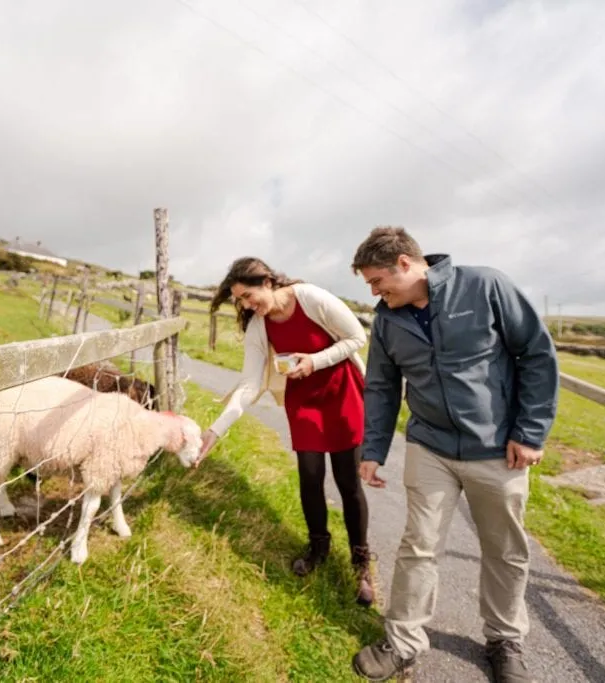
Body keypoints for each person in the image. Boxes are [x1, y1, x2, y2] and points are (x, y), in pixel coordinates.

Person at [347, 227, 559, 683]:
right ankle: (403, 642)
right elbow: (382, 386)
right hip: (430, 447)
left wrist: (530, 431)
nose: (374, 292)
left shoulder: (485, 287)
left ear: (406, 263)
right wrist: (373, 449)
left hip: (498, 448)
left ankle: (504, 641)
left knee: (504, 550)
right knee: (418, 546)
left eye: (377, 280)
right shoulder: (387, 320)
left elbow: (536, 355)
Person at [195, 256, 375, 605]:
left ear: (267, 282)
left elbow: (356, 337)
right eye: (241, 302)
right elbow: (249, 385)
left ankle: (360, 563)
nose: (248, 306)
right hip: (304, 398)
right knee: (310, 476)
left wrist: (314, 360)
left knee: (348, 480)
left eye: (248, 296)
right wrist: (215, 431)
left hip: (342, 391)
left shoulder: (309, 297)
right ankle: (318, 547)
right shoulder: (259, 326)